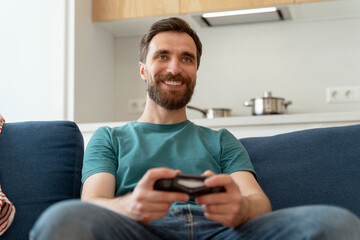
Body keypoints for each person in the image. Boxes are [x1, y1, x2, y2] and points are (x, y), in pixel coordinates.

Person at [30, 17, 360, 240]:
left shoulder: (220, 140)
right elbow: (92, 202)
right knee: (62, 220)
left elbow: (257, 201)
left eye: (186, 59)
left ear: (196, 71)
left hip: (221, 232)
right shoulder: (110, 137)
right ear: (143, 70)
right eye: (163, 56)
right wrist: (130, 206)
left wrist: (240, 208)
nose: (175, 68)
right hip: (142, 231)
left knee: (337, 224)